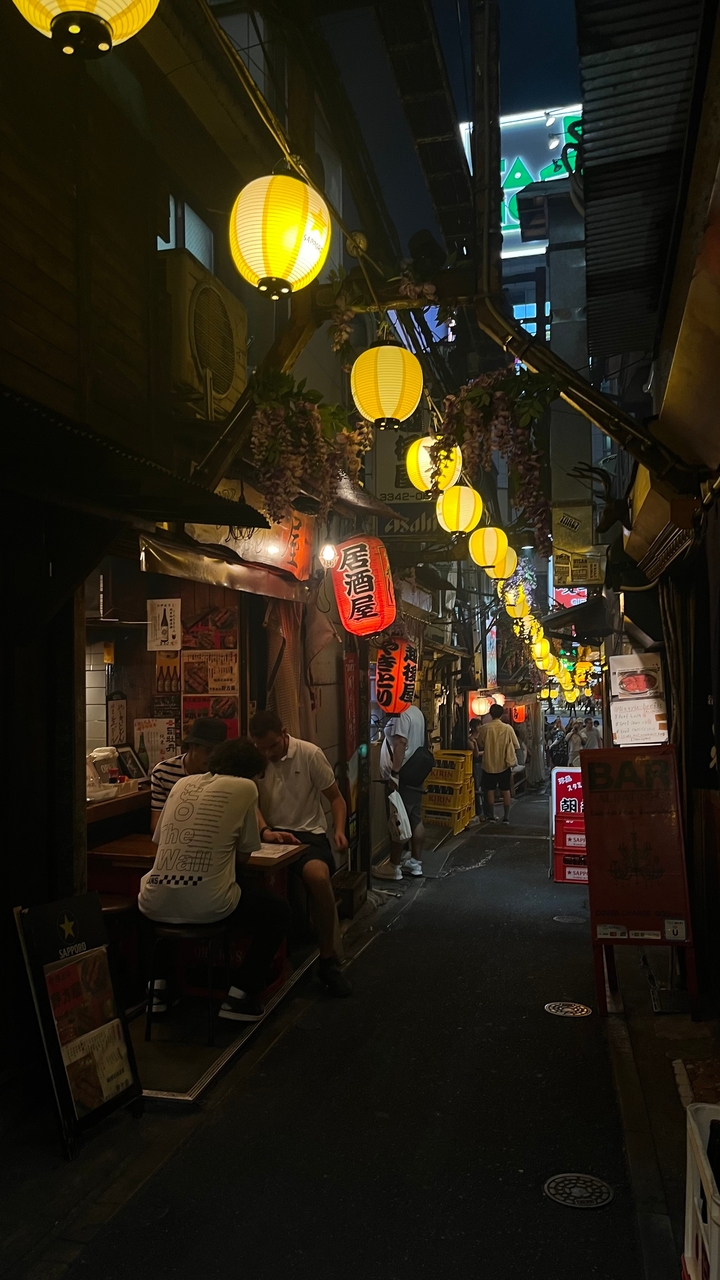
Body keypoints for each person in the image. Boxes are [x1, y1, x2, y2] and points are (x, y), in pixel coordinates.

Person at [139, 738, 292, 1023]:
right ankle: (241, 994)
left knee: (171, 901)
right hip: (210, 904)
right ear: (251, 771)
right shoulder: (245, 788)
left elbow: (159, 839)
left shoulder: (182, 785)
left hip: (152, 900)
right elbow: (245, 856)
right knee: (278, 911)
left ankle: (158, 989)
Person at [249, 710, 352, 998]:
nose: (267, 753)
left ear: (284, 733)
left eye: (272, 745)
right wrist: (265, 829)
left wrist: (339, 830)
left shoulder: (309, 753)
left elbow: (336, 798)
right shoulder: (253, 758)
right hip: (270, 833)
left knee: (318, 877)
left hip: (307, 835)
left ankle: (329, 959)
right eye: (260, 747)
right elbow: (250, 800)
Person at [375, 702, 428, 880]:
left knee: (397, 819)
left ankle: (394, 866)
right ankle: (415, 863)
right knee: (415, 818)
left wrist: (395, 774)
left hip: (402, 775)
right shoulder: (416, 711)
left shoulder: (401, 714)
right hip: (415, 772)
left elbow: (400, 742)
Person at [150, 717, 228, 833]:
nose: (212, 757)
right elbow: (156, 825)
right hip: (174, 838)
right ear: (192, 746)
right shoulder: (163, 772)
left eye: (217, 752)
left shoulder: (223, 772)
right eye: (208, 751)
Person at [481, 704, 520, 824]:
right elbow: (516, 745)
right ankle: (506, 817)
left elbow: (481, 742)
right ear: (502, 714)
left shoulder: (485, 728)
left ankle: (492, 816)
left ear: (490, 713)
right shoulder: (507, 728)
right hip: (504, 764)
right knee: (505, 790)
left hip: (488, 764)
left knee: (490, 790)